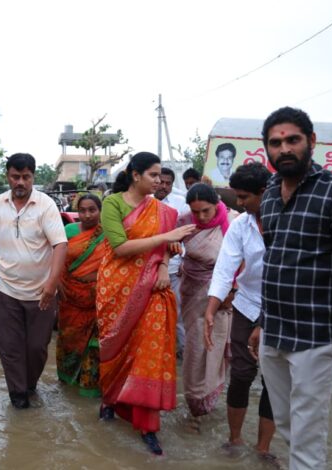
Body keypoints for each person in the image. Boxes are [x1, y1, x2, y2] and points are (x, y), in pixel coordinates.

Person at [252, 106, 332, 470]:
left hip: (317, 336)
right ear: (267, 150)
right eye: (275, 143)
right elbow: (273, 262)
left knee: (306, 442)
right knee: (289, 430)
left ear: (311, 141)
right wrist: (261, 321)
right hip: (273, 333)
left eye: (293, 139)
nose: (284, 148)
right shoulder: (272, 193)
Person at [96, 151, 196, 455]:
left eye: (160, 176)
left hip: (153, 287)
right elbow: (121, 246)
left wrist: (164, 266)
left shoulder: (163, 211)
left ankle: (148, 425)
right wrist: (167, 236)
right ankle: (111, 398)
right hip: (117, 287)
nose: (159, 180)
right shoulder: (112, 204)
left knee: (150, 352)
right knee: (116, 350)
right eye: (153, 175)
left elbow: (167, 249)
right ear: (135, 174)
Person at [0, 153, 67, 410]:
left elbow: (60, 245)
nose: (20, 182)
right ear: (7, 176)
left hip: (41, 292)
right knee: (9, 346)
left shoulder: (46, 205)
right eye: (15, 176)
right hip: (5, 289)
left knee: (37, 347)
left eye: (26, 177)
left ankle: (29, 384)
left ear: (33, 177)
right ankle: (18, 397)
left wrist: (52, 284)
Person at [203, 163, 276, 462]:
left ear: (264, 193)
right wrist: (210, 309)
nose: (239, 203)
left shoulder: (286, 223)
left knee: (274, 380)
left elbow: (283, 275)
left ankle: (263, 449)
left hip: (282, 310)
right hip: (246, 304)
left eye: (244, 197)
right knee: (242, 374)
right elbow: (225, 268)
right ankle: (234, 439)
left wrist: (265, 320)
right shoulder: (241, 225)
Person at [177, 183, 237, 426]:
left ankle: (207, 402)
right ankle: (194, 401)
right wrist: (171, 246)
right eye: (196, 212)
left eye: (206, 211)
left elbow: (243, 262)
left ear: (217, 204)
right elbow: (168, 247)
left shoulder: (234, 222)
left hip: (223, 297)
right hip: (192, 292)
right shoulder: (183, 222)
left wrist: (231, 291)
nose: (200, 217)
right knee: (194, 348)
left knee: (213, 346)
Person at [56, 194, 107, 397]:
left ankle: (90, 390)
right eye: (83, 210)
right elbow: (56, 258)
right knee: (69, 340)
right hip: (70, 297)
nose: (87, 215)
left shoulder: (107, 233)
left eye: (92, 210)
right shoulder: (68, 231)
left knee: (95, 345)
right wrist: (57, 283)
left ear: (100, 211)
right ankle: (67, 383)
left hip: (97, 298)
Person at [154, 167, 189, 359]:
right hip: (147, 270)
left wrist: (184, 259)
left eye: (168, 183)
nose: (164, 186)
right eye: (161, 182)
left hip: (175, 270)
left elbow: (187, 237)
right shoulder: (142, 204)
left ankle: (182, 355)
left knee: (177, 314)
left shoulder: (180, 205)